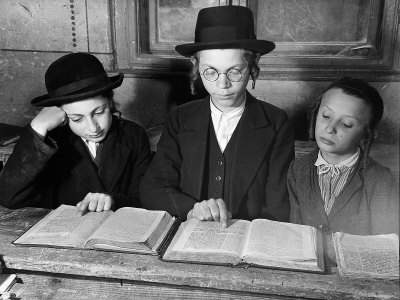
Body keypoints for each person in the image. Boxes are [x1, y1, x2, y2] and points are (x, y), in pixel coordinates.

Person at [140, 6, 295, 226]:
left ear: (252, 66)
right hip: (188, 234)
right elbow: (153, 188)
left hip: (247, 241)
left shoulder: (276, 122)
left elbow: (279, 205)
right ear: (196, 66)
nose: (222, 85)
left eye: (234, 71)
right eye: (210, 72)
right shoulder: (180, 118)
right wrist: (191, 210)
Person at [0, 53, 152, 213]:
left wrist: (113, 200)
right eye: (78, 119)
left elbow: (145, 198)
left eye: (99, 112)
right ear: (61, 116)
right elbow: (9, 197)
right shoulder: (48, 141)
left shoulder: (133, 135)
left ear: (110, 102)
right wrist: (37, 127)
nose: (93, 128)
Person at [288, 77, 399, 235]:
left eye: (346, 124)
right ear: (315, 114)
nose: (330, 128)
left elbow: (388, 245)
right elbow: (295, 230)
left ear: (366, 134)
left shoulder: (381, 181)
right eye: (326, 116)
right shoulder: (297, 169)